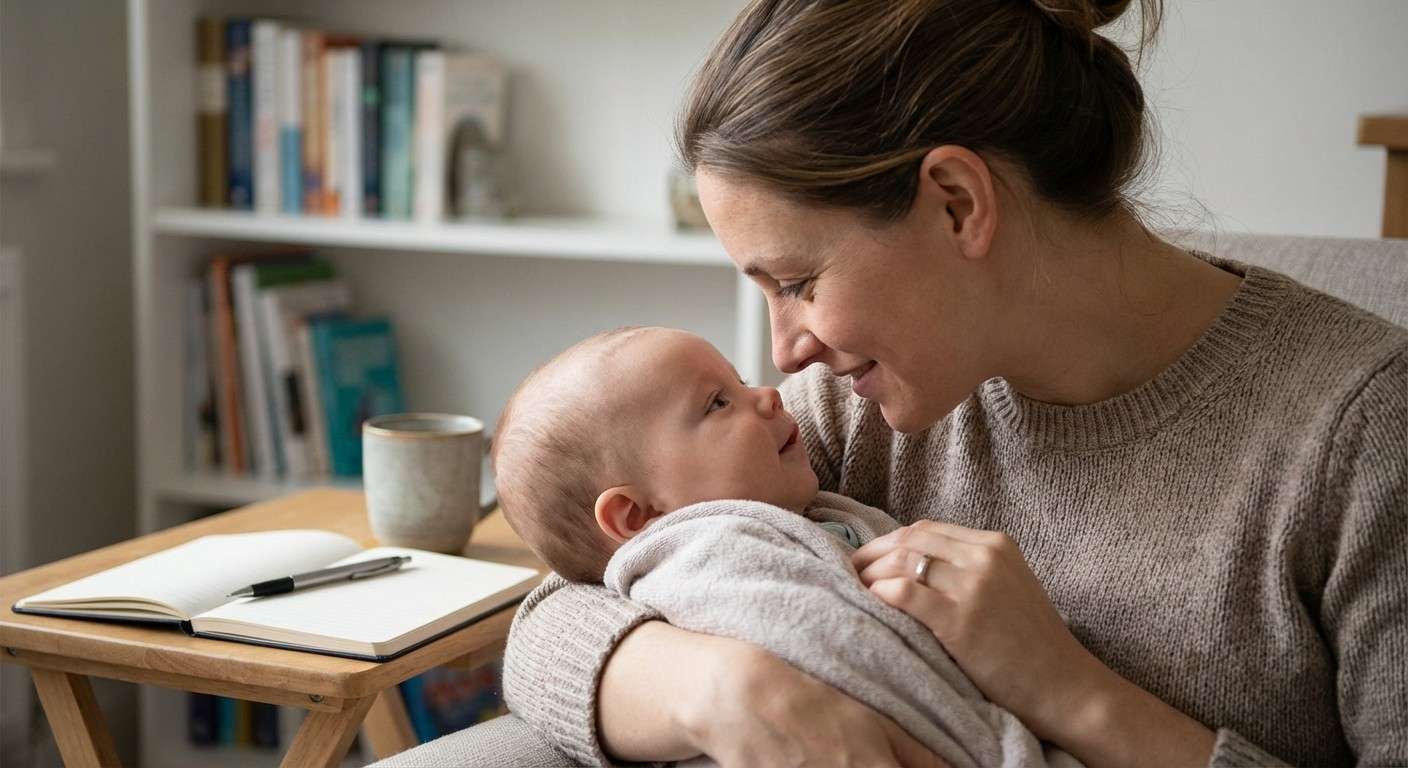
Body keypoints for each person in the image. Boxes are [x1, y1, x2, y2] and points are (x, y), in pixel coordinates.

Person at [502, 0, 1408, 765]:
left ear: (957, 204)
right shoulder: (858, 413)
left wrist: (1067, 690)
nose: (784, 357)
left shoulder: (1366, 434)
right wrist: (723, 687)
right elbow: (561, 611)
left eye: (798, 282)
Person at [492, 325, 1078, 767]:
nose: (773, 392)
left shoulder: (789, 500)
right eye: (718, 402)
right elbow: (833, 650)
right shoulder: (709, 557)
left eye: (738, 383)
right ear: (637, 514)